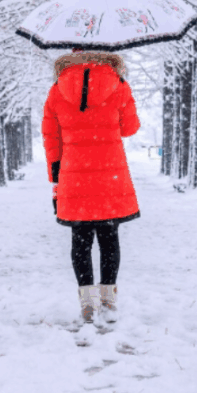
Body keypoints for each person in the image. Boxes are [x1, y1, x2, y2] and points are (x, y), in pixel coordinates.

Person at [42, 50, 140, 324]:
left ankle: (87, 302)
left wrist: (56, 178)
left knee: (80, 239)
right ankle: (108, 299)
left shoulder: (57, 89)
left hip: (74, 175)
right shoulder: (118, 84)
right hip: (111, 175)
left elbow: (52, 138)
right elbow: (130, 127)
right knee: (109, 238)